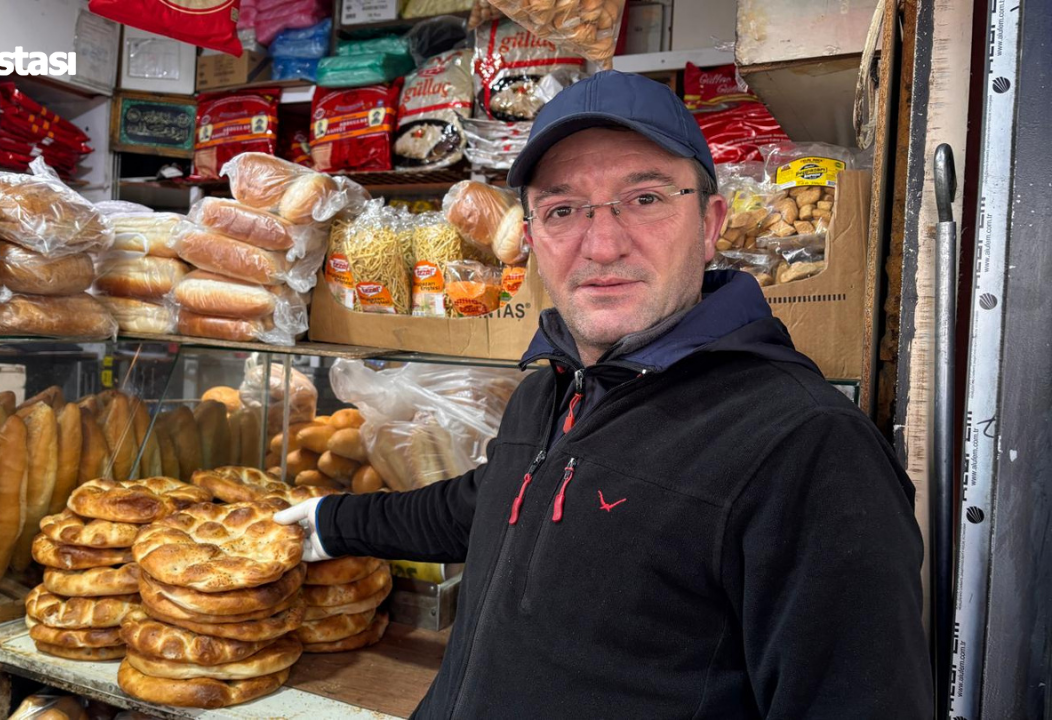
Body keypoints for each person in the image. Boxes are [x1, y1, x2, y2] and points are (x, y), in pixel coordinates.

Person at [276, 71, 932, 719]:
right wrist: (325, 525)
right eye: (563, 210)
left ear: (710, 224)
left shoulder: (806, 447)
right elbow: (490, 501)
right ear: (531, 241)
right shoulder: (552, 391)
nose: (603, 243)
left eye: (644, 199)